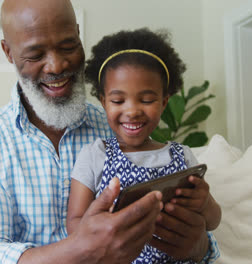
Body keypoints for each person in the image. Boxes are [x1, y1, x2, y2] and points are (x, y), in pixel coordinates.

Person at [0, 0, 219, 263]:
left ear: (79, 35)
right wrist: (82, 248)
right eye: (35, 55)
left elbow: (202, 227)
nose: (56, 66)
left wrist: (199, 246)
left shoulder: (121, 127)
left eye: (68, 46)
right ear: (8, 51)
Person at [66, 28, 221, 264]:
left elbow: (213, 221)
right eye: (118, 100)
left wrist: (205, 202)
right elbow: (74, 223)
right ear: (103, 101)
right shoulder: (95, 155)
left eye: (147, 100)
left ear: (164, 101)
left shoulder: (182, 156)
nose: (132, 111)